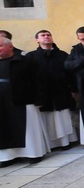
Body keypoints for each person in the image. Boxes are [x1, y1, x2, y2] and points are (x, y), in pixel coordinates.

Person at [0, 37, 50, 167]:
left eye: (0, 46)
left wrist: (39, 98)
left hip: (24, 100)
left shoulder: (25, 61)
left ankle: (32, 154)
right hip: (2, 103)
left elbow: (38, 81)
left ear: (10, 47)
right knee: (4, 129)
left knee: (28, 129)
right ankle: (8, 157)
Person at [25, 30, 78, 149]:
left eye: (48, 35)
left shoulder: (62, 55)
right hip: (42, 93)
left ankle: (65, 142)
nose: (46, 37)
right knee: (47, 118)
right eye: (43, 35)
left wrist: (73, 89)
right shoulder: (31, 57)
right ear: (37, 40)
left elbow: (70, 74)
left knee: (62, 117)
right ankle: (51, 144)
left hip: (61, 91)